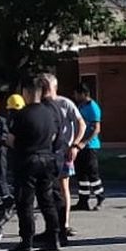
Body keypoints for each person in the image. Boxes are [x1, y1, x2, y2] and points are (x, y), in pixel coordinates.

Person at [4, 78, 65, 251]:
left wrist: (10, 144)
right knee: (47, 200)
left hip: (27, 161)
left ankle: (26, 242)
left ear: (27, 93)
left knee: (25, 203)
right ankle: (54, 238)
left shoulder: (21, 114)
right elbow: (55, 137)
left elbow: (12, 140)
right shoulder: (49, 113)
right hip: (47, 160)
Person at [41, 73, 85, 235]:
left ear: (54, 87)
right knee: (47, 190)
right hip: (45, 153)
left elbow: (82, 124)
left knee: (63, 186)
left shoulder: (65, 103)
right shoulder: (41, 105)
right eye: (42, 87)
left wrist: (75, 145)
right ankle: (51, 226)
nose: (44, 90)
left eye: (47, 87)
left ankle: (64, 224)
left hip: (64, 151)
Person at [72, 83, 105, 211]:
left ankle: (100, 196)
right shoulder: (81, 106)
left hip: (90, 146)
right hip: (80, 146)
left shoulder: (93, 107)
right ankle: (83, 200)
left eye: (76, 94)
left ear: (83, 94)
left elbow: (96, 129)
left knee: (92, 173)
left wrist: (84, 142)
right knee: (81, 174)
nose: (74, 96)